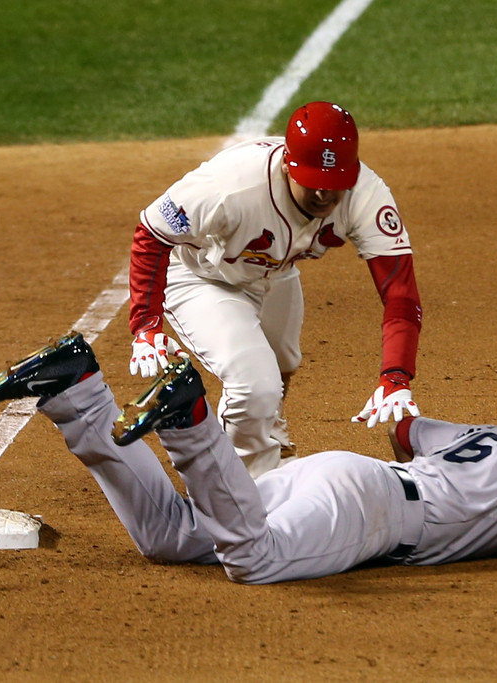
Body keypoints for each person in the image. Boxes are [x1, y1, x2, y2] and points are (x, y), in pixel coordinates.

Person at [0, 333, 497, 584]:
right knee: (251, 561)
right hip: (370, 512)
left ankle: (77, 389)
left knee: (170, 537)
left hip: (339, 475)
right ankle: (191, 422)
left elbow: (408, 431)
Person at [128, 101, 422, 478]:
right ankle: (245, 486)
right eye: (313, 182)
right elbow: (152, 233)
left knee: (282, 367)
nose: (324, 196)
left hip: (272, 272)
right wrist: (146, 324)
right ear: (287, 163)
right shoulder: (230, 186)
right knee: (255, 386)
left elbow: (400, 291)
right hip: (201, 277)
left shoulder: (365, 195)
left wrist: (396, 375)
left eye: (334, 185)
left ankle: (265, 439)